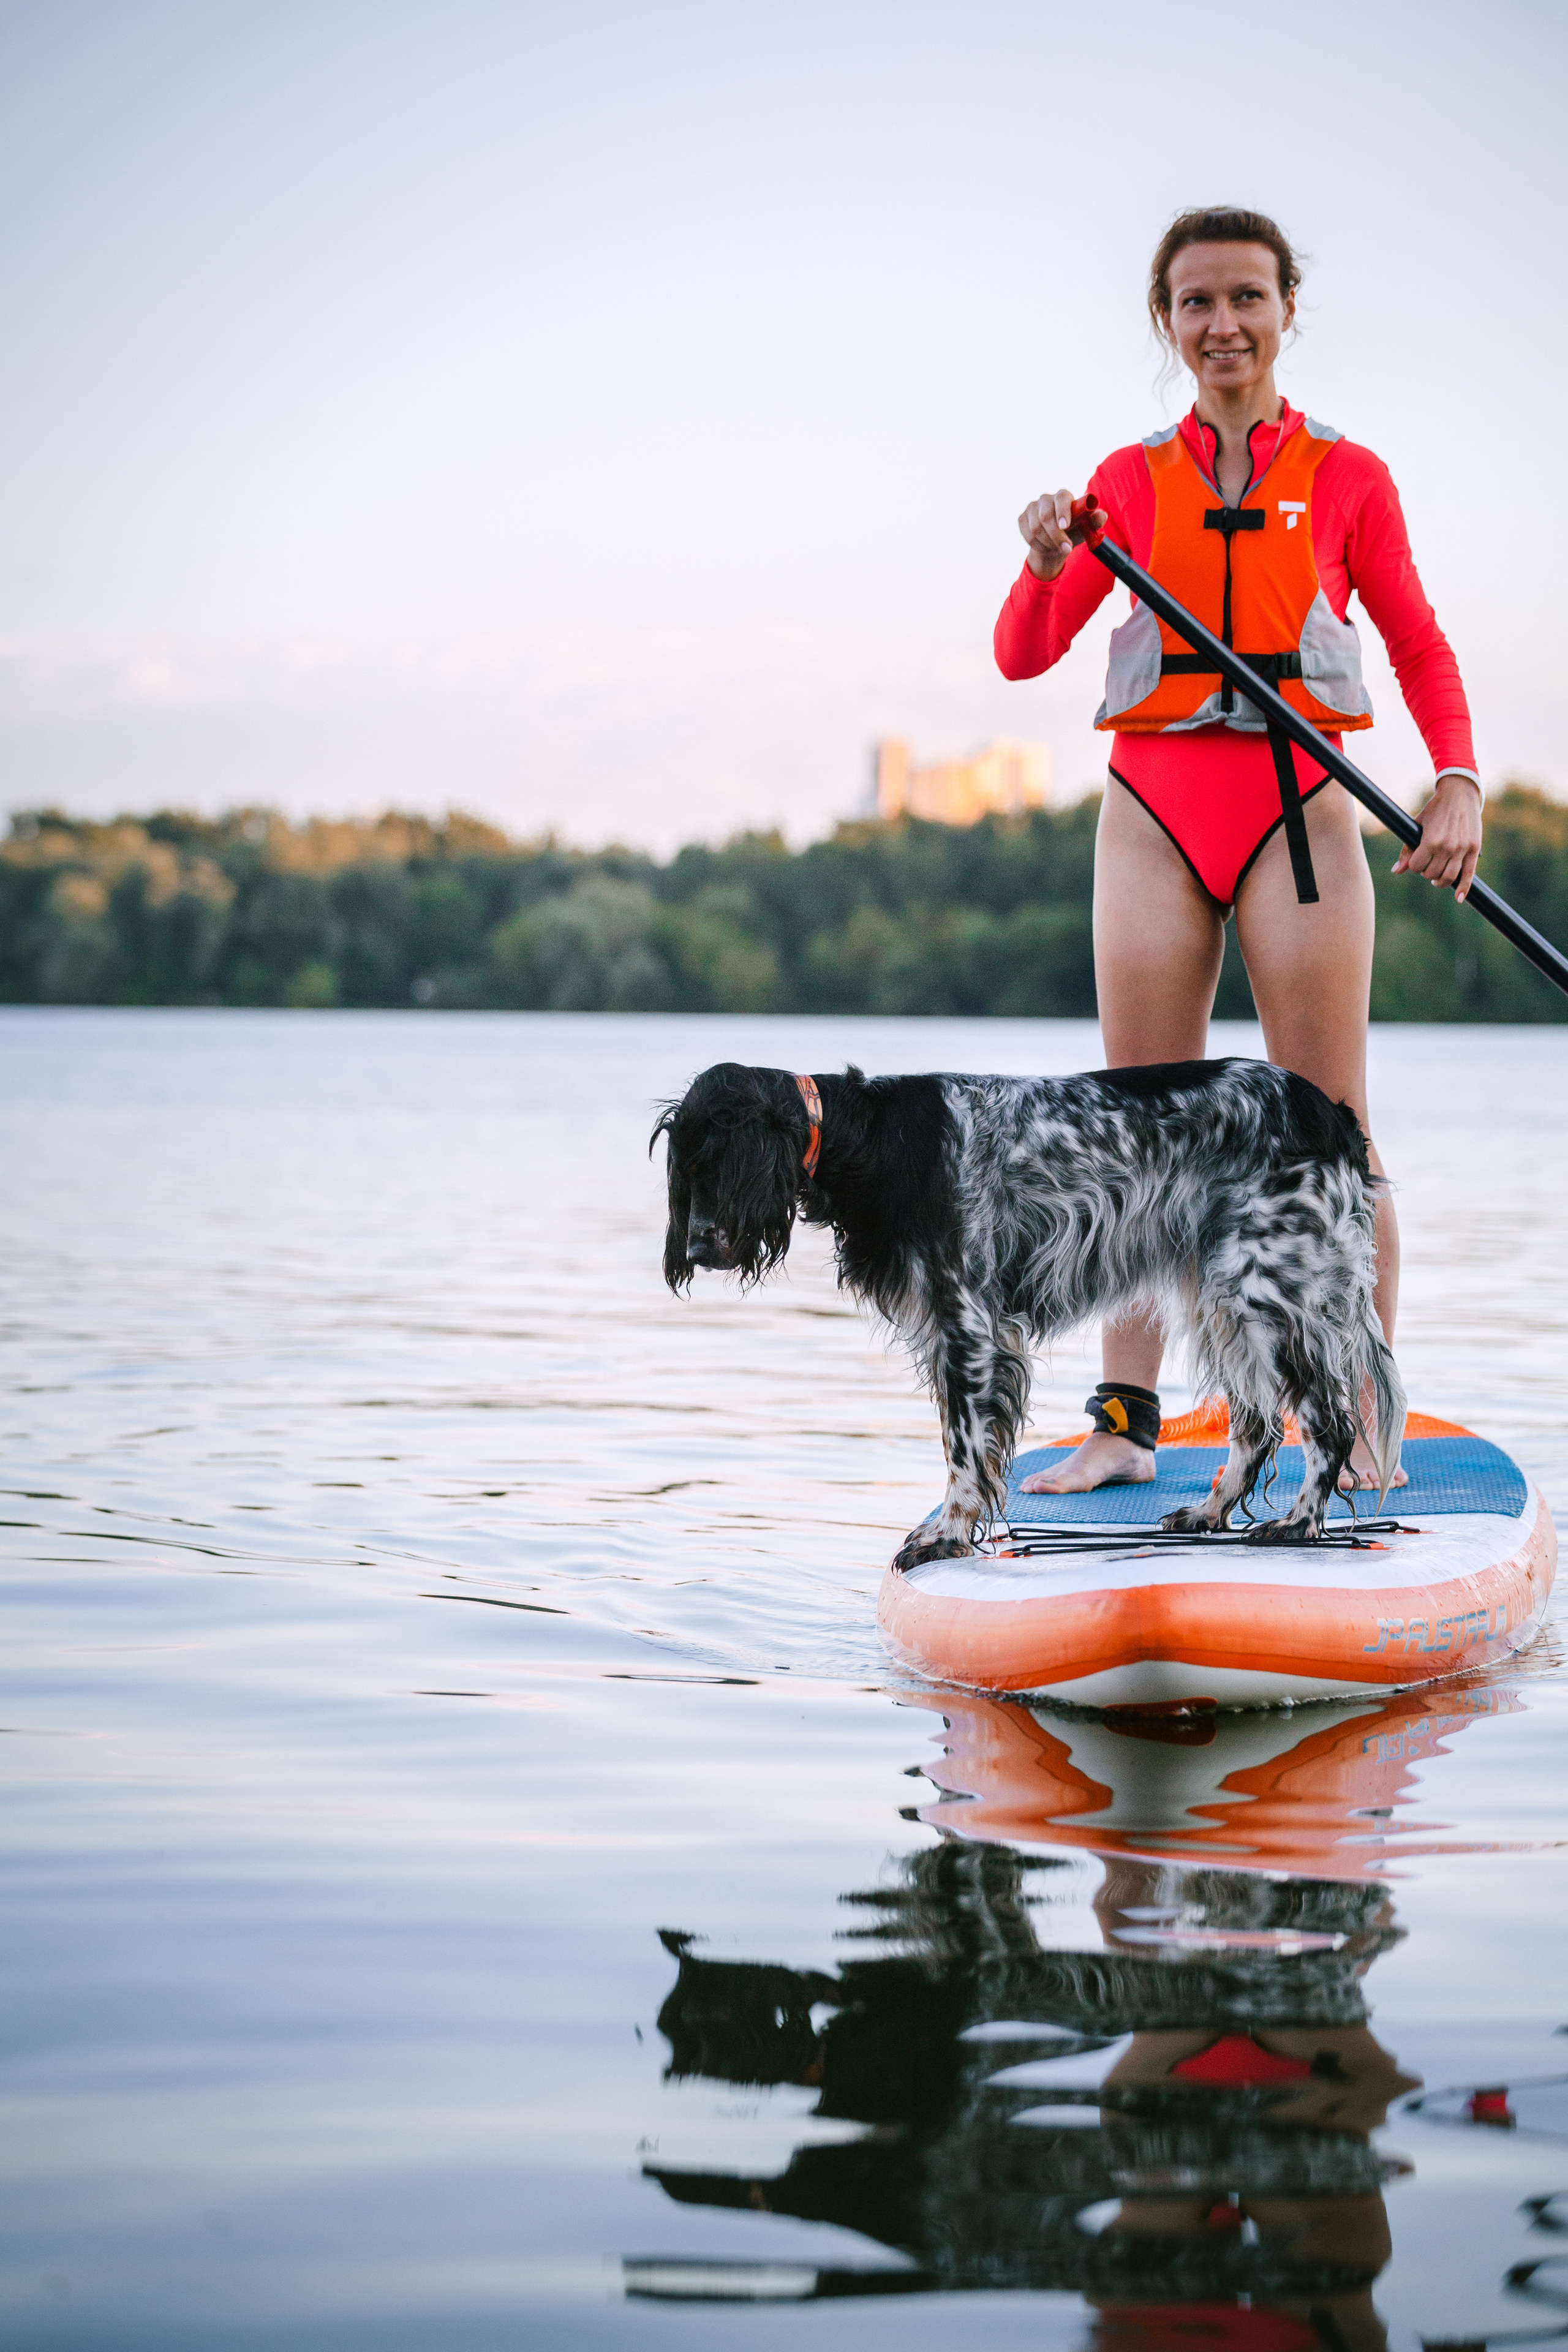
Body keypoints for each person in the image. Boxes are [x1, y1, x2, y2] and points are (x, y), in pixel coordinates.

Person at [995, 205, 1482, 1495]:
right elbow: (1021, 650)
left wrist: (1455, 779)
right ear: (1164, 319)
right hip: (1152, 815)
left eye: (1245, 299)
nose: (1222, 324)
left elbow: (1418, 642)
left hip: (1300, 815)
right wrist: (1046, 560)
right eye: (1195, 302)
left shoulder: (1345, 475)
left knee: (1328, 1132)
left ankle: (1356, 1415)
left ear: (1283, 311)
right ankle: (1123, 1424)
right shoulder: (1124, 480)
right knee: (1137, 1136)